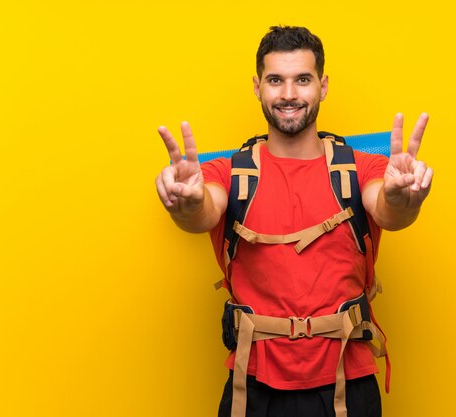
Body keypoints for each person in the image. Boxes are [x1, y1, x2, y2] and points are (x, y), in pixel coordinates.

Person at [155, 26, 433, 417]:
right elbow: (202, 213)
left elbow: (389, 210)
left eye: (302, 79)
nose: (288, 94)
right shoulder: (227, 175)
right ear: (257, 87)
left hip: (346, 385)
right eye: (275, 80)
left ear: (323, 86)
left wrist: (405, 199)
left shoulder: (363, 168)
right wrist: (182, 204)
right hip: (251, 387)